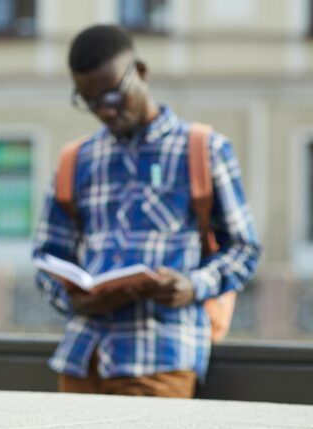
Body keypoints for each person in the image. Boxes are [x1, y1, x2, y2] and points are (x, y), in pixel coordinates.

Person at [32, 25, 261, 398]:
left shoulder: (204, 150)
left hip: (161, 360)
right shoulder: (76, 160)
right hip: (80, 360)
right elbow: (46, 258)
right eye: (90, 100)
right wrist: (72, 298)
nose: (104, 109)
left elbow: (245, 250)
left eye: (111, 94)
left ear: (140, 71)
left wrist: (193, 286)